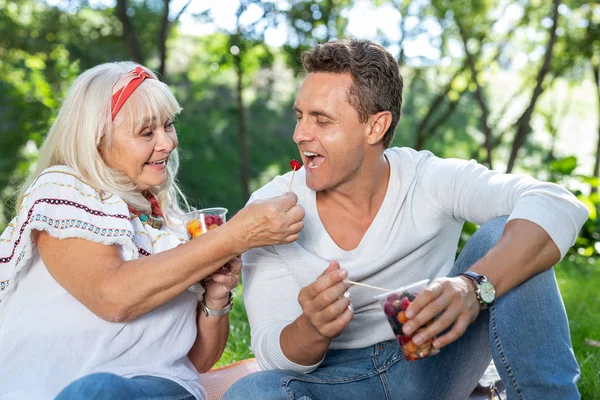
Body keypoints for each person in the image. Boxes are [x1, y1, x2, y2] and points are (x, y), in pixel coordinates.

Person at [224, 39, 589, 400]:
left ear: (376, 127)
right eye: (300, 116)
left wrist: (473, 287)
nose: (300, 134)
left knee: (511, 232)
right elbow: (270, 352)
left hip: (434, 364)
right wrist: (312, 328)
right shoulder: (271, 209)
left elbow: (555, 202)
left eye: (321, 120)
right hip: (335, 381)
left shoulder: (428, 179)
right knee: (250, 392)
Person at [0, 62, 304, 400]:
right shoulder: (64, 191)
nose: (167, 143)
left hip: (164, 390)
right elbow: (113, 297)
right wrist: (233, 236)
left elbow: (198, 361)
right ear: (98, 140)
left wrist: (216, 298)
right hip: (54, 389)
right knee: (99, 390)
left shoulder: (173, 225)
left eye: (169, 125)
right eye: (147, 133)